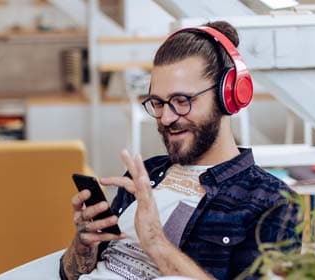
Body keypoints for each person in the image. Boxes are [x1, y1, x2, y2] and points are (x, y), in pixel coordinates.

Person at [59, 21, 299, 280]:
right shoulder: (146, 173)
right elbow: (71, 274)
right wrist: (83, 246)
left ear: (227, 96)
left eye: (181, 101)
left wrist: (156, 242)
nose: (165, 118)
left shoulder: (272, 202)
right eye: (158, 103)